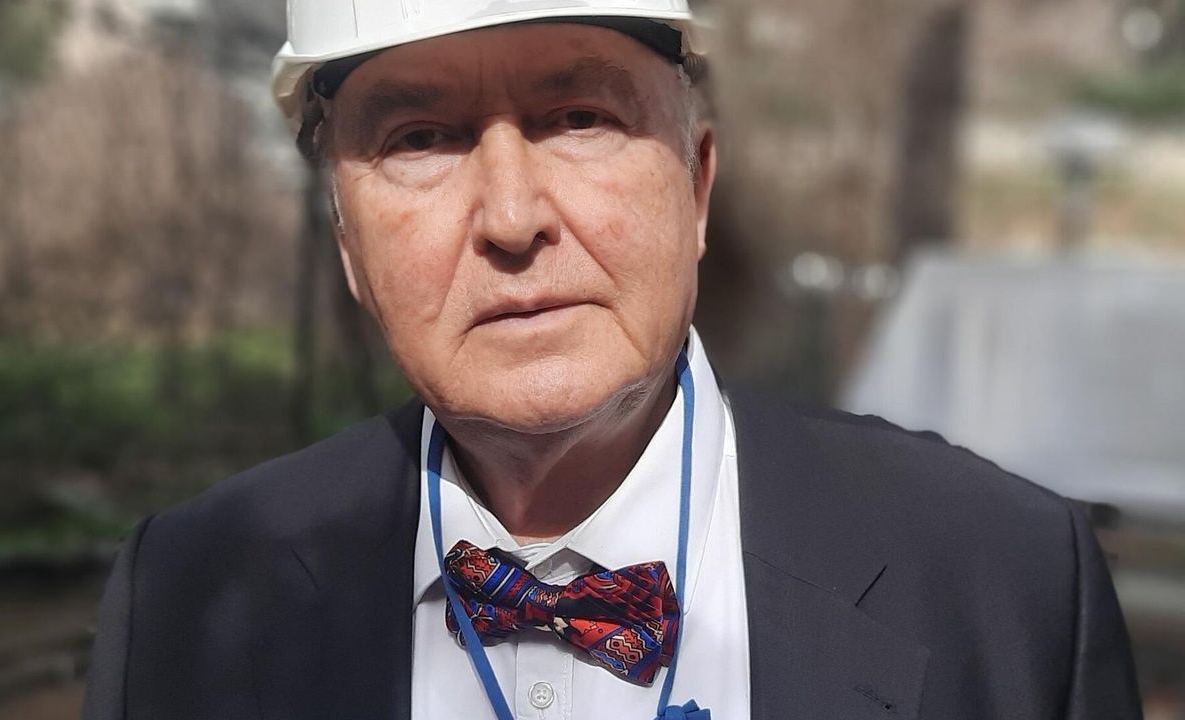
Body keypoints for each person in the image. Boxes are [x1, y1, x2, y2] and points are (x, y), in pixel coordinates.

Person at [82, 2, 1142, 718]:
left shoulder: (1005, 584)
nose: (511, 218)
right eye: (420, 138)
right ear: (349, 246)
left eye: (578, 118)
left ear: (697, 186)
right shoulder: (183, 595)